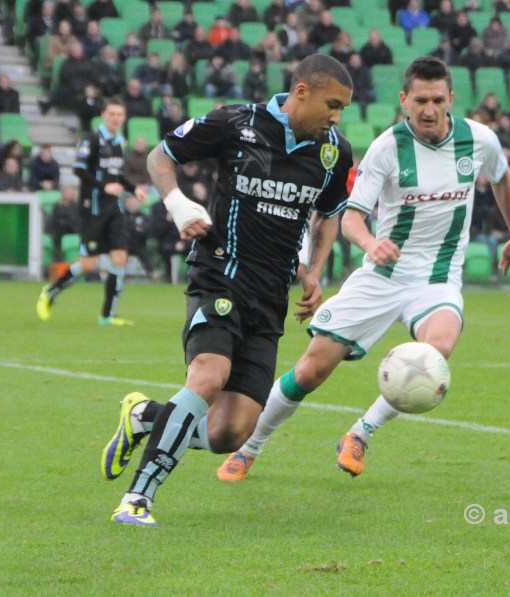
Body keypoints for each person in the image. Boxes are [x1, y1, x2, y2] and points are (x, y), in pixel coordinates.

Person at [213, 56, 510, 483]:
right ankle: (250, 447)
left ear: (451, 98)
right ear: (404, 100)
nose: (429, 109)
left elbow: (503, 178)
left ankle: (360, 433)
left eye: (437, 99)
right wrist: (370, 243)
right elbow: (352, 217)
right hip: (382, 277)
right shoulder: (387, 148)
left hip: (437, 280)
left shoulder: (480, 140)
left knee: (436, 350)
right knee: (311, 370)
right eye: (420, 100)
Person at [100, 54, 354, 526]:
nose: (337, 116)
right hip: (219, 273)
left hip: (270, 296)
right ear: (302, 92)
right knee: (208, 375)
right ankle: (139, 498)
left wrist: (315, 271)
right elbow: (161, 156)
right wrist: (176, 203)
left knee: (229, 432)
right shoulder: (237, 123)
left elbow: (331, 211)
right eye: (332, 104)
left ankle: (144, 417)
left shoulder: (335, 150)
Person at [36, 99, 147, 326]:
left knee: (120, 257)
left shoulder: (119, 142)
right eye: (112, 114)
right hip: (92, 209)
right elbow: (79, 169)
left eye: (120, 115)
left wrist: (134, 189)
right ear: (103, 115)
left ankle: (107, 315)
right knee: (88, 265)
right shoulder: (92, 140)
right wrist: (103, 187)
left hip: (114, 208)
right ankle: (51, 291)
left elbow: (116, 176)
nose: (116, 118)